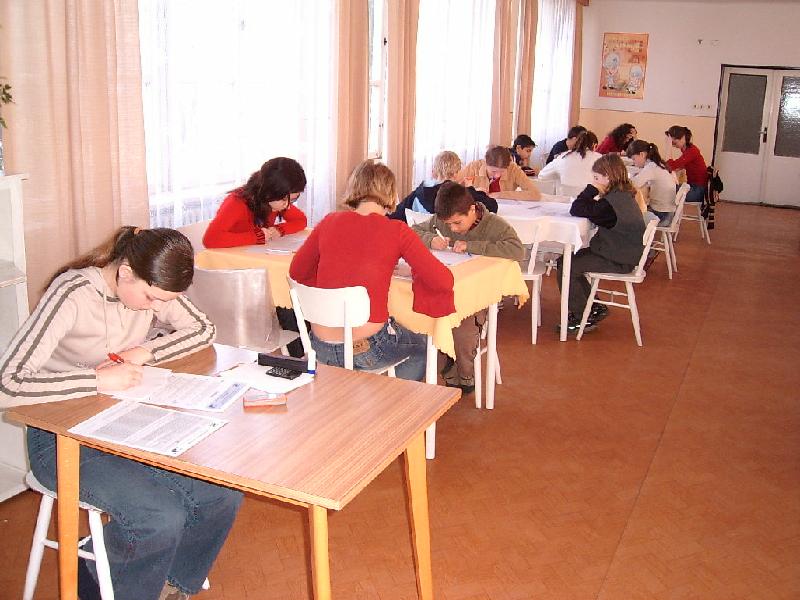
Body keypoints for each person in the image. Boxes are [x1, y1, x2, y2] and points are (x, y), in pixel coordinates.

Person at [0, 227, 241, 600]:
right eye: (152, 298)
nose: (157, 309)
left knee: (221, 492)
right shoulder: (72, 294)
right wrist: (95, 381)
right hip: (60, 439)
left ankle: (169, 584)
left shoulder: (149, 285)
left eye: (165, 301)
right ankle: (99, 579)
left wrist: (147, 352)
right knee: (160, 516)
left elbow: (203, 329)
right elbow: (8, 384)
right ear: (125, 272)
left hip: (121, 422)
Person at [289, 160, 455, 381]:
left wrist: (331, 288)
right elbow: (443, 281)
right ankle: (390, 400)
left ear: (354, 188)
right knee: (423, 346)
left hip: (319, 344)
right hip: (367, 347)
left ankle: (365, 394)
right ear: (391, 193)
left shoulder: (329, 221)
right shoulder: (397, 231)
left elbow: (297, 272)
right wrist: (413, 272)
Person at [411, 181, 523, 392]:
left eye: (457, 223)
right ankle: (440, 366)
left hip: (476, 296)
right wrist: (431, 239)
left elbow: (517, 250)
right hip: (445, 292)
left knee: (463, 333)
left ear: (472, 210)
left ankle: (464, 375)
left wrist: (472, 246)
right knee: (419, 318)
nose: (452, 229)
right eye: (448, 224)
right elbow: (413, 231)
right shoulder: (442, 220)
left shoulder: (494, 224)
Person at [558, 155, 646, 334]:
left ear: (608, 177)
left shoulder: (610, 205)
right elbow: (590, 209)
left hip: (618, 257)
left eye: (596, 178)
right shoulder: (623, 196)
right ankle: (592, 307)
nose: (594, 181)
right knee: (567, 261)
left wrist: (591, 189)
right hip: (622, 251)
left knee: (568, 266)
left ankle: (582, 316)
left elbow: (577, 208)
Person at [203, 156, 308, 249]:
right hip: (230, 259)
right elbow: (210, 239)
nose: (288, 206)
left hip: (254, 256)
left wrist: (279, 230)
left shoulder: (277, 201)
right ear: (269, 191)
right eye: (284, 199)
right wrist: (256, 237)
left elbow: (301, 220)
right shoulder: (237, 202)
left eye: (293, 200)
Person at [388, 150, 497, 221]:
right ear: (456, 173)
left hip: (419, 240)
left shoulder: (418, 193)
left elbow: (394, 216)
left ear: (434, 170)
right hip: (450, 242)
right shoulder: (459, 192)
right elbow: (492, 207)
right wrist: (470, 188)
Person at [456, 146, 541, 201]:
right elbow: (453, 189)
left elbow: (535, 194)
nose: (497, 175)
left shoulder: (513, 169)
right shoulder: (474, 167)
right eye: (493, 171)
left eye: (502, 171)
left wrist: (501, 194)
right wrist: (474, 192)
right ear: (485, 163)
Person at [626, 139, 678, 226]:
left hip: (662, 215)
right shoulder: (658, 163)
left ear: (642, 154)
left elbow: (633, 184)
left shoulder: (651, 167)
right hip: (668, 211)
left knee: (629, 216)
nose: (634, 163)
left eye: (634, 159)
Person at [536, 131, 602, 189]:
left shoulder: (563, 157)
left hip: (565, 197)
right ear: (594, 145)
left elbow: (542, 176)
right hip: (592, 198)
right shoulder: (600, 158)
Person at [665, 125, 708, 203]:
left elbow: (671, 166)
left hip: (698, 191)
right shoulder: (687, 150)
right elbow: (677, 166)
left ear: (682, 138)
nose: (673, 145)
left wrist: (668, 147)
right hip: (694, 187)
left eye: (674, 143)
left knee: (667, 191)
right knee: (668, 187)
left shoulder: (692, 151)